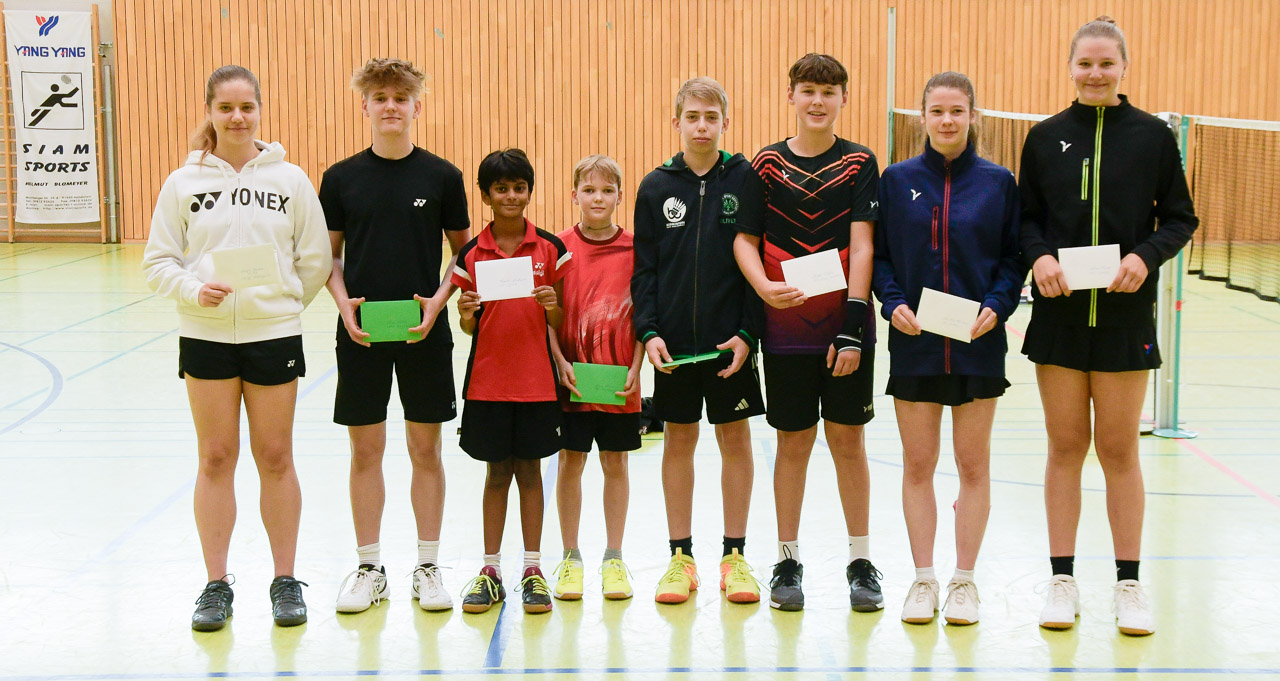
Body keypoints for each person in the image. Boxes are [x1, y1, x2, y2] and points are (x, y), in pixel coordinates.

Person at [1019, 17, 1197, 636]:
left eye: (1106, 63)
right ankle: (1061, 581)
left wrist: (1144, 257)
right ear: (1070, 67)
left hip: (1124, 317)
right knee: (1065, 448)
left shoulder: (1153, 137)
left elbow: (1180, 218)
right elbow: (1026, 219)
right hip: (1061, 317)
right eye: (1085, 63)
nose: (1095, 74)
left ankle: (1129, 585)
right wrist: (1039, 257)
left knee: (1119, 451)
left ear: (1124, 67)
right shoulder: (1044, 138)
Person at [142, 65, 330, 631]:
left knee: (275, 456)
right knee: (216, 457)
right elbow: (158, 262)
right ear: (210, 112)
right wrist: (193, 290)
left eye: (246, 106)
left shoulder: (290, 180)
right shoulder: (182, 183)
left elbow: (315, 258)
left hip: (273, 336)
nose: (237, 117)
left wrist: (281, 303)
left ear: (260, 109)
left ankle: (285, 581)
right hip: (206, 336)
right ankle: (216, 585)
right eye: (225, 108)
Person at [733, 54, 885, 613]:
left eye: (829, 92)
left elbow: (863, 246)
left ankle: (861, 562)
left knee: (849, 442)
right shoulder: (766, 163)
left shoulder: (860, 162)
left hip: (845, 330)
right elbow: (745, 240)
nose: (818, 101)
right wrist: (764, 287)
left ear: (844, 98)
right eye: (808, 91)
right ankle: (787, 560)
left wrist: (852, 327)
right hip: (786, 331)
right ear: (791, 96)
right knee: (792, 443)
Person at [872, 71, 1024, 625]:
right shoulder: (897, 180)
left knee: (973, 464)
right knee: (918, 464)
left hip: (977, 344)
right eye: (937, 111)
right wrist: (892, 303)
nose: (947, 120)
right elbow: (880, 257)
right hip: (915, 344)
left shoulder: (999, 182)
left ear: (973, 116)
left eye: (957, 110)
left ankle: (964, 581)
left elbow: (1013, 259)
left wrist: (998, 306)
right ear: (922, 117)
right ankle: (923, 580)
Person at [321, 58, 470, 614]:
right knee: (366, 450)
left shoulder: (442, 177)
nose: (390, 106)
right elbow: (329, 257)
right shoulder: (340, 178)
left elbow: (464, 254)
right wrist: (343, 305)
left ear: (416, 107)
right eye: (380, 97)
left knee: (425, 449)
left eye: (400, 98)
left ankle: (428, 566)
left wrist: (437, 303)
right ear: (364, 105)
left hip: (422, 333)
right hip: (361, 335)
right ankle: (369, 568)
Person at [632, 76, 766, 605]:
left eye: (711, 117)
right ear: (677, 122)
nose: (702, 126)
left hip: (730, 344)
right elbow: (644, 270)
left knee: (735, 441)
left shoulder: (745, 179)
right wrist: (648, 332)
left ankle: (735, 557)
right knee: (679, 442)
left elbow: (759, 259)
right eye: (692, 117)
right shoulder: (655, 186)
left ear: (725, 123)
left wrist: (749, 333)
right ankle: (680, 558)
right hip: (674, 348)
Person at [451, 149, 573, 614]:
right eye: (500, 188)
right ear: (485, 195)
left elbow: (558, 319)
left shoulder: (550, 249)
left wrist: (551, 306)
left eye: (519, 188)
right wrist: (466, 314)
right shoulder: (470, 254)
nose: (510, 196)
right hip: (488, 385)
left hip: (537, 383)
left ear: (529, 192)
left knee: (530, 474)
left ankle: (533, 570)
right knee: (496, 474)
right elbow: (469, 327)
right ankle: (490, 570)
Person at [548, 155, 642, 601]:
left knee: (616, 463)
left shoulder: (637, 250)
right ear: (574, 196)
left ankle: (614, 558)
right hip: (573, 379)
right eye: (589, 190)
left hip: (620, 380)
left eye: (607, 190)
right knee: (571, 461)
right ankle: (570, 557)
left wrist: (638, 365)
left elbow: (646, 314)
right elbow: (547, 313)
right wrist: (558, 361)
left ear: (620, 196)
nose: (598, 198)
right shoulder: (559, 248)